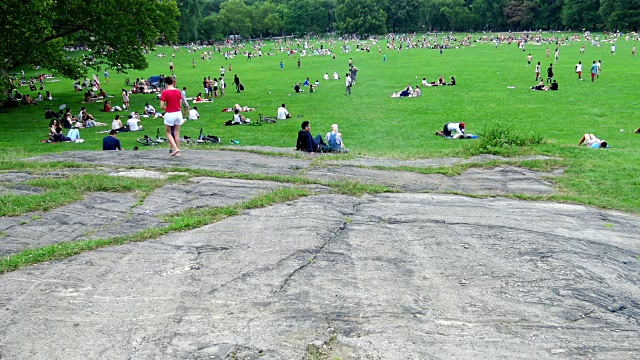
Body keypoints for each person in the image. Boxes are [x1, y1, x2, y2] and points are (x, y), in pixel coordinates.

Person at [160, 76, 183, 156]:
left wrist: (167, 107)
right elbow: (180, 103)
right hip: (178, 113)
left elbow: (162, 106)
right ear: (173, 82)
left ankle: (175, 148)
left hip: (170, 113)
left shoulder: (165, 92)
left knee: (168, 132)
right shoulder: (178, 91)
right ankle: (178, 151)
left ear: (165, 83)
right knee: (177, 132)